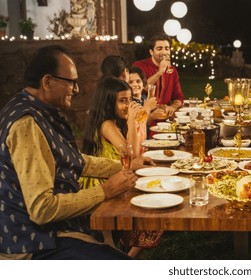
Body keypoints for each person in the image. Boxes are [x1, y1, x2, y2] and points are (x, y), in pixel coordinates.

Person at [0, 45, 153, 260]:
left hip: (49, 232)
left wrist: (127, 165)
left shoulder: (37, 111)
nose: (76, 89)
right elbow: (42, 209)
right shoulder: (27, 124)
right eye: (71, 82)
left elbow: (75, 159)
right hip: (33, 242)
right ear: (47, 81)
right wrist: (105, 191)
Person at [80, 76, 163, 258]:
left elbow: (131, 155)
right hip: (104, 185)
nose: (127, 105)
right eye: (122, 101)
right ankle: (127, 256)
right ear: (108, 102)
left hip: (115, 177)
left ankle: (127, 251)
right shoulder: (107, 125)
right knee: (154, 200)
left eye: (129, 100)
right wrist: (132, 122)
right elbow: (129, 154)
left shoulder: (113, 122)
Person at [132, 34, 184, 117]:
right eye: (159, 49)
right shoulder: (139, 66)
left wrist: (172, 107)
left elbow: (179, 97)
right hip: (143, 116)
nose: (164, 52)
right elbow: (141, 88)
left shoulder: (173, 71)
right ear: (151, 52)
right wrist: (160, 72)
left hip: (165, 117)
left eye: (167, 48)